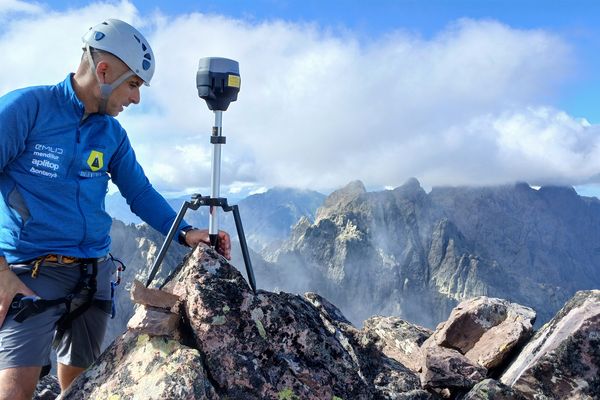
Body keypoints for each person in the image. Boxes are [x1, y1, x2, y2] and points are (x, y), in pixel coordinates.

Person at [0, 18, 231, 400]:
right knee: (13, 392)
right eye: (134, 84)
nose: (136, 99)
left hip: (93, 277)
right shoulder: (28, 108)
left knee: (80, 389)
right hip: (32, 274)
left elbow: (139, 194)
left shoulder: (112, 134)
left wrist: (187, 232)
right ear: (104, 70)